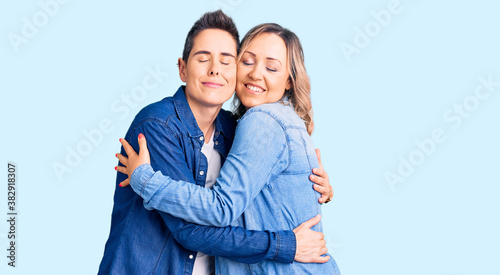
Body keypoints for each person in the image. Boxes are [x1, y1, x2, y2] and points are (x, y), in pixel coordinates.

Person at [99, 11, 333, 275]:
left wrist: (312, 183)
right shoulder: (157, 126)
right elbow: (191, 230)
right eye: (203, 58)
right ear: (182, 69)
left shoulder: (235, 128)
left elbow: (264, 186)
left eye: (226, 61)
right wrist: (285, 245)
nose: (215, 69)